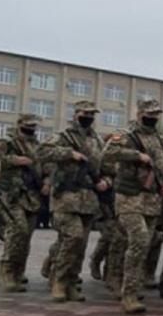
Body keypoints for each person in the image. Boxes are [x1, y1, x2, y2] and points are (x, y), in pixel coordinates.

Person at [102, 99, 163, 314]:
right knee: (139, 239)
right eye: (149, 113)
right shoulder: (125, 135)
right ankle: (129, 294)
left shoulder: (160, 141)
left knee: (143, 245)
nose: (153, 117)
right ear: (139, 113)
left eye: (156, 114)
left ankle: (131, 286)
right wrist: (136, 155)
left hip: (152, 201)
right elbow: (107, 154)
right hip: (129, 198)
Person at [38, 101, 110, 303]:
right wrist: (69, 153)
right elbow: (42, 152)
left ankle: (72, 282)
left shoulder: (97, 140)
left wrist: (106, 180)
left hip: (88, 200)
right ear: (76, 114)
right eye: (85, 113)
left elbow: (106, 166)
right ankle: (59, 281)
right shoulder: (64, 136)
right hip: (66, 198)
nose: (88, 117)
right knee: (73, 238)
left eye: (92, 114)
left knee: (80, 245)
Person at [0, 114, 47, 292]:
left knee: (26, 237)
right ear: (19, 125)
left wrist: (47, 182)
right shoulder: (8, 142)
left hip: (32, 197)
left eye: (34, 126)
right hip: (13, 195)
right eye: (28, 125)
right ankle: (7, 271)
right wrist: (14, 160)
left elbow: (45, 167)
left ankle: (19, 271)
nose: (31, 129)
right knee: (18, 231)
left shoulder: (38, 146)